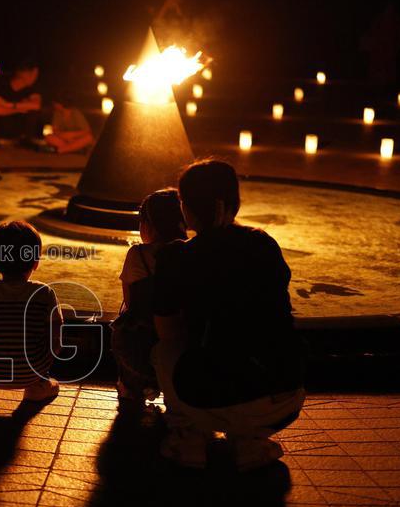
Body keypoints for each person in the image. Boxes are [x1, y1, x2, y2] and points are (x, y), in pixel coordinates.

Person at [151, 160, 305, 470]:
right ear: (235, 202)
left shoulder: (177, 257)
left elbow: (168, 332)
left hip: (215, 396)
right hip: (286, 396)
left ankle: (190, 438)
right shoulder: (264, 244)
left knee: (163, 351)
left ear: (187, 208)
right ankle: (250, 441)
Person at [0, 221, 62, 402]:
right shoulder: (44, 293)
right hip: (32, 371)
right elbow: (56, 335)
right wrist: (42, 365)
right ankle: (39, 385)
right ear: (36, 262)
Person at [110, 189, 186, 408]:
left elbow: (130, 301)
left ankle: (131, 388)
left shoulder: (138, 254)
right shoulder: (190, 252)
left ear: (149, 225)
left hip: (141, 340)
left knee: (123, 322)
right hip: (181, 336)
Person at [0, 61, 42, 146]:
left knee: (33, 112)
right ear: (23, 73)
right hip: (3, 126)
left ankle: (25, 139)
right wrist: (21, 108)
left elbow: (36, 106)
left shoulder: (32, 89)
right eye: (33, 74)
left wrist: (8, 105)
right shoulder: (2, 86)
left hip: (18, 125)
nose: (35, 77)